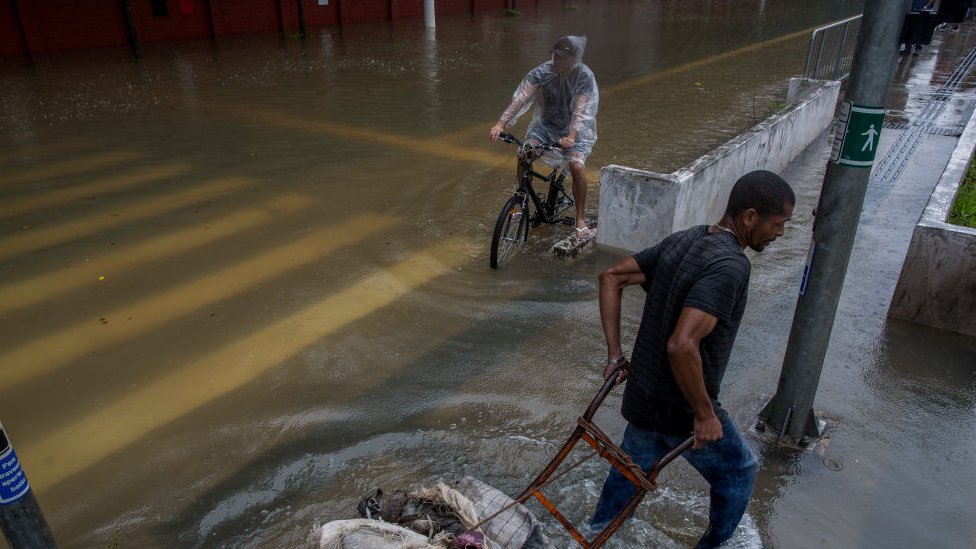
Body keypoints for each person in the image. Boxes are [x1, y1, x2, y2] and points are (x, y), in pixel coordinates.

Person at [589, 170, 796, 548]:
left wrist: (615, 356)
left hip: (643, 398)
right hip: (679, 409)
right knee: (740, 472)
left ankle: (596, 537)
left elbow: (610, 277)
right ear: (750, 217)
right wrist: (703, 414)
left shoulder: (685, 239)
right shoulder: (731, 266)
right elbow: (682, 345)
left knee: (630, 476)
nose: (780, 233)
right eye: (778, 224)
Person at [489, 35, 599, 236]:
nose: (557, 61)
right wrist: (501, 123)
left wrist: (572, 136)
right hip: (545, 126)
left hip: (575, 131)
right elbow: (521, 97)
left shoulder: (583, 77)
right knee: (525, 153)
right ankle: (520, 203)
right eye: (555, 56)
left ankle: (580, 218)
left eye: (563, 57)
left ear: (574, 58)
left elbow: (580, 111)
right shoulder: (543, 71)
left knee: (576, 166)